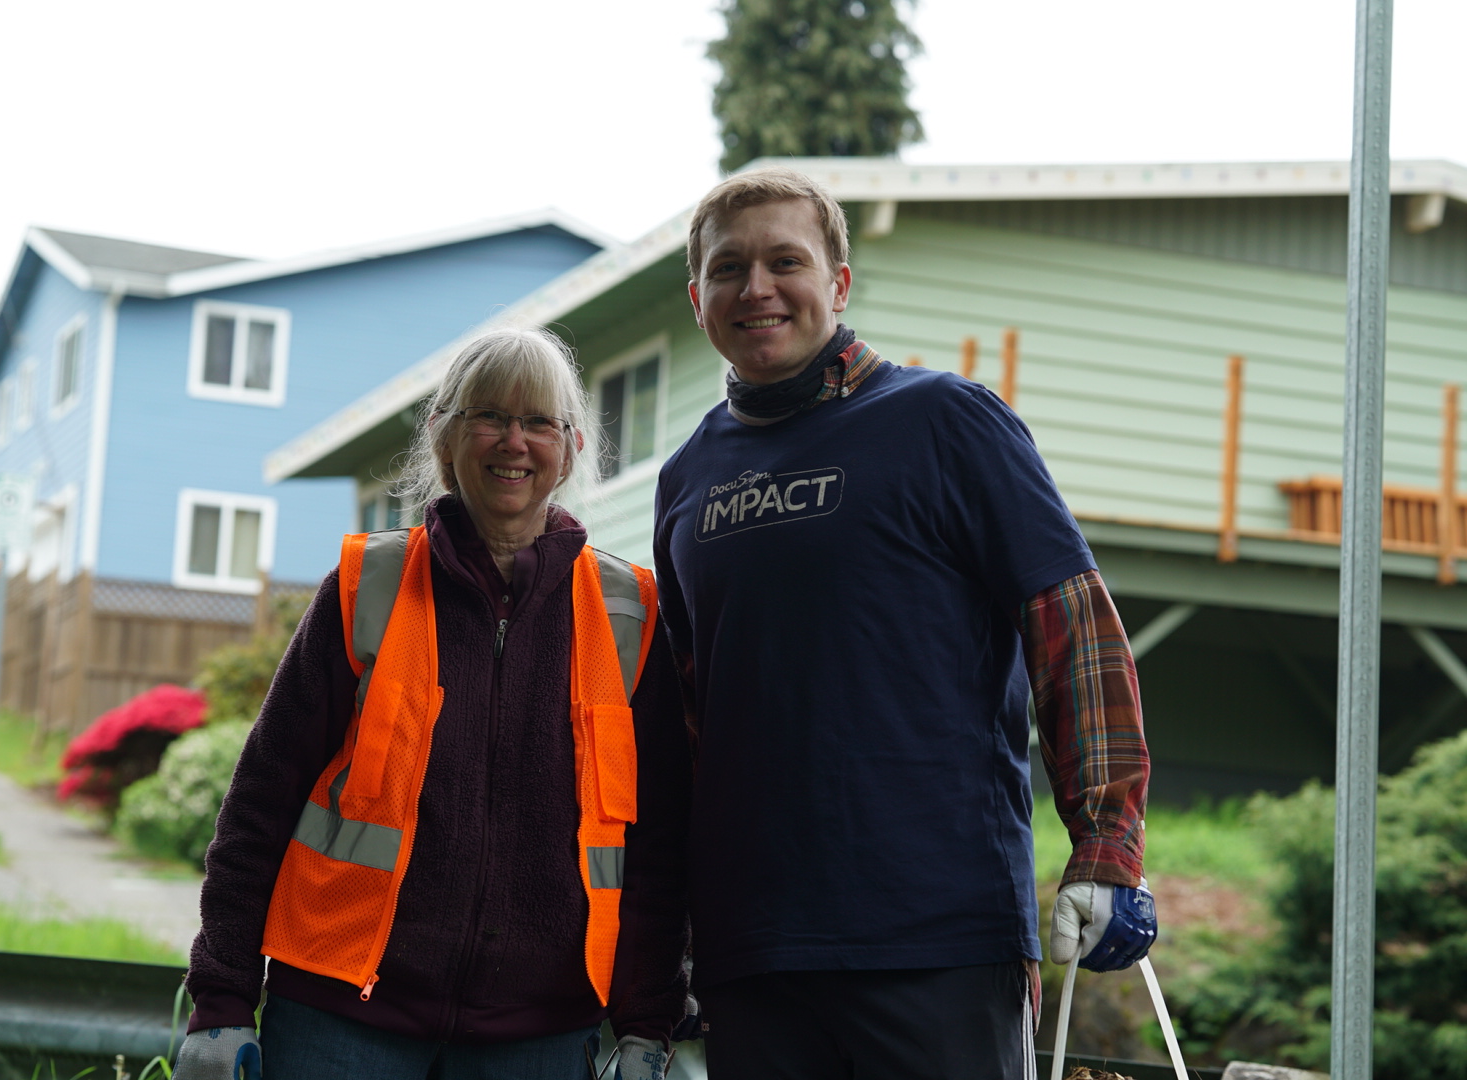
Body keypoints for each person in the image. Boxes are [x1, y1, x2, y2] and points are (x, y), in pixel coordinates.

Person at [651, 166, 1155, 1079]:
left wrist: (1106, 844)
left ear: (838, 283)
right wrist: (668, 932)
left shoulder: (947, 421)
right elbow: (687, 724)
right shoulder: (686, 480)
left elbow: (1073, 629)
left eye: (785, 262)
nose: (757, 288)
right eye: (729, 269)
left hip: (938, 935)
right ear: (698, 300)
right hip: (751, 952)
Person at [177, 327, 691, 1080]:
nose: (514, 442)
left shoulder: (631, 615)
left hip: (540, 1034)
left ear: (572, 447)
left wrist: (647, 1026)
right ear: (444, 437)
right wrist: (221, 999)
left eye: (539, 422)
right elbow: (260, 802)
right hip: (338, 1015)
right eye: (489, 417)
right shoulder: (366, 587)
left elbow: (657, 847)